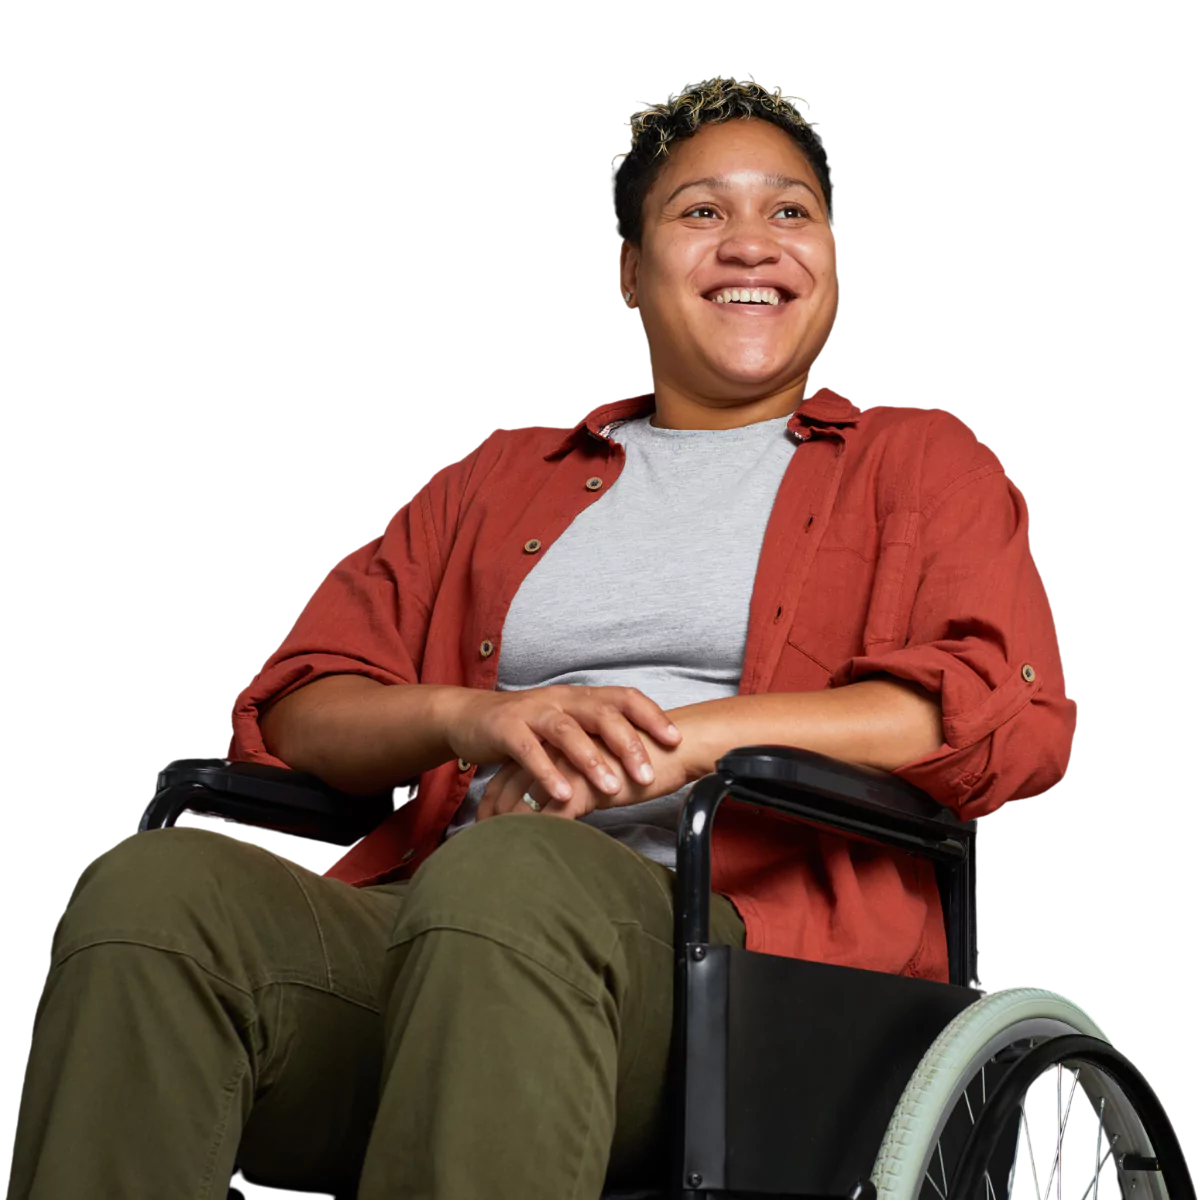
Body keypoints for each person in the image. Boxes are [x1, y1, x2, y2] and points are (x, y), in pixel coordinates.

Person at [8, 76, 1076, 1198]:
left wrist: (678, 743)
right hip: (447, 923)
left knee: (512, 875)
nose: (751, 241)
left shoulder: (918, 462)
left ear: (833, 260)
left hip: (746, 962)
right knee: (158, 894)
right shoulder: (498, 479)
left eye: (790, 211)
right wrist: (479, 719)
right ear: (629, 272)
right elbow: (299, 709)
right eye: (701, 211)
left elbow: (1001, 712)